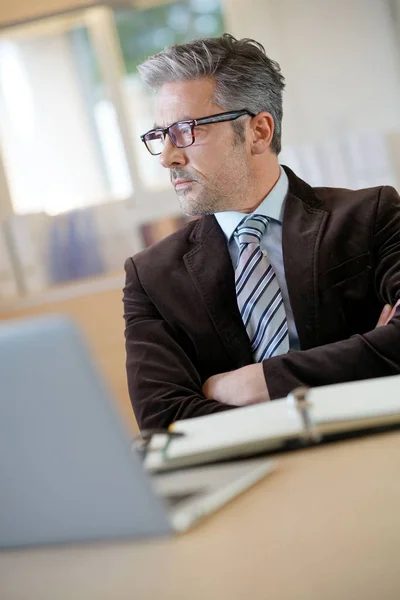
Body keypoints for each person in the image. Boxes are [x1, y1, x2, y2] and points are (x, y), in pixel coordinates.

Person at [123, 34, 400, 430]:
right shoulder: (151, 276)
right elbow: (164, 418)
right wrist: (361, 361)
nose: (169, 156)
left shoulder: (370, 215)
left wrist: (259, 382)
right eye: (160, 135)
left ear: (258, 131)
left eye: (186, 130)